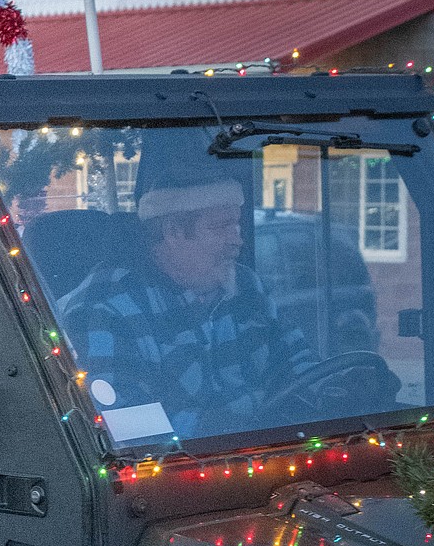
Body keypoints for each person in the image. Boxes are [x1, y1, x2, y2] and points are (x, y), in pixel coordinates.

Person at [59, 170, 314, 439]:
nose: (237, 240)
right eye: (220, 227)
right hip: (181, 470)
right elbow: (128, 424)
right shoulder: (106, 307)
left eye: (236, 225)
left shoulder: (247, 285)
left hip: (274, 452)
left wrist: (335, 391)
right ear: (173, 232)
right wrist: (225, 431)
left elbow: (298, 359)